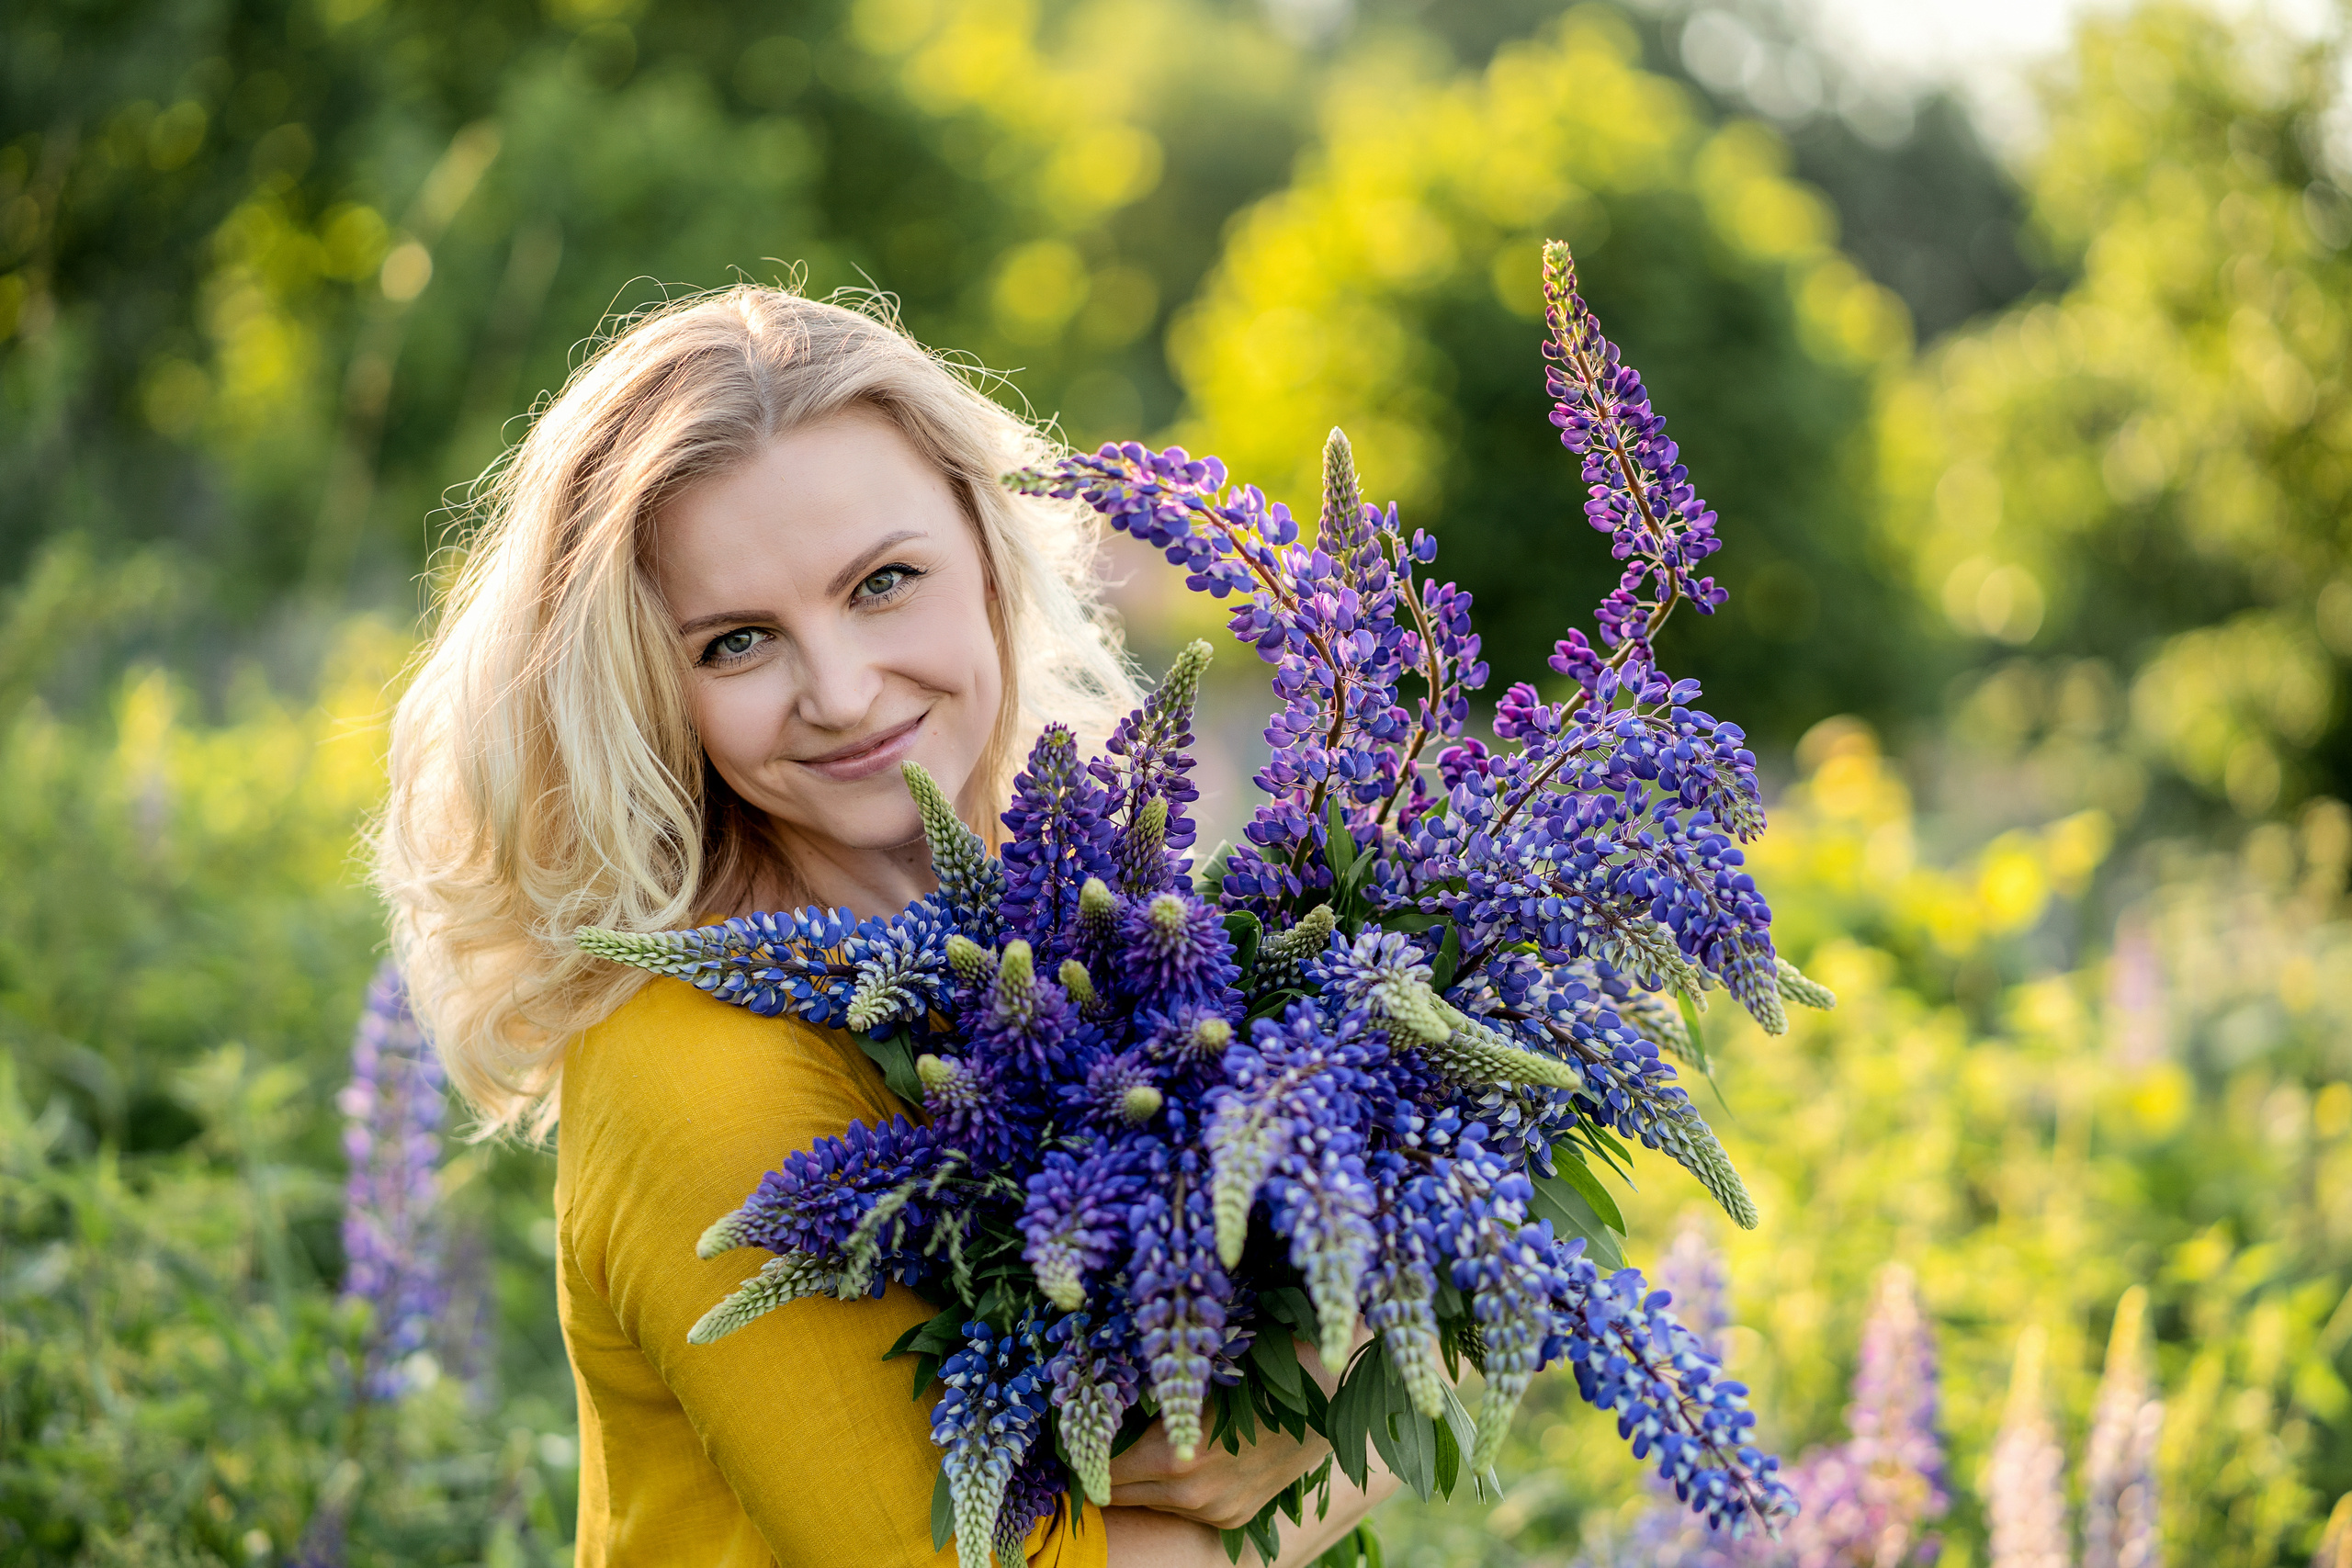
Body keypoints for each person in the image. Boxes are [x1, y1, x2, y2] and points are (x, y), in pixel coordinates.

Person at [373, 287, 1398, 1567]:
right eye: (737, 642)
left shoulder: (1096, 939)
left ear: (985, 548)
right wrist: (1349, 1429)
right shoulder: (696, 1066)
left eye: (883, 582)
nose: (844, 693)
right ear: (647, 690)